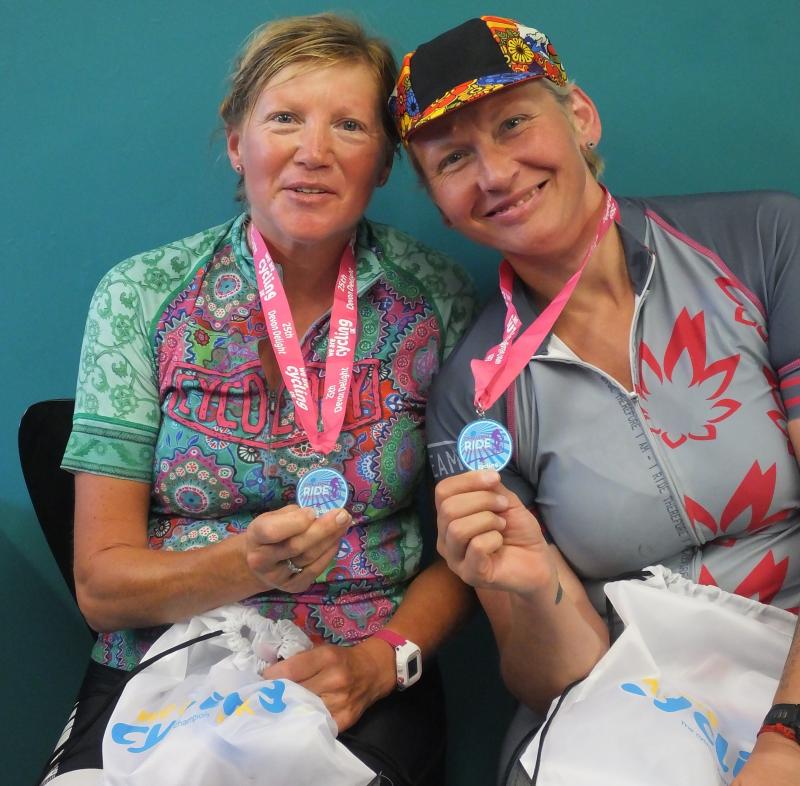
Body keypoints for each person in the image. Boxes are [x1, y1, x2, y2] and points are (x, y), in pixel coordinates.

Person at [47, 13, 477, 785]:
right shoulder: (142, 296)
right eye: (285, 118)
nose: (313, 153)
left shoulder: (437, 299)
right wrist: (245, 563)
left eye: (349, 124)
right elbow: (102, 589)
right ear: (236, 138)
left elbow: (464, 547)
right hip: (161, 657)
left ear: (383, 161)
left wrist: (385, 663)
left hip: (357, 666)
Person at [391, 14, 800, 786]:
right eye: (453, 159)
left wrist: (787, 735)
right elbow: (551, 674)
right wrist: (532, 583)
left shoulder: (766, 241)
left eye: (513, 124)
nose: (495, 173)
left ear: (579, 116)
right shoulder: (468, 399)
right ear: (440, 202)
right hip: (636, 698)